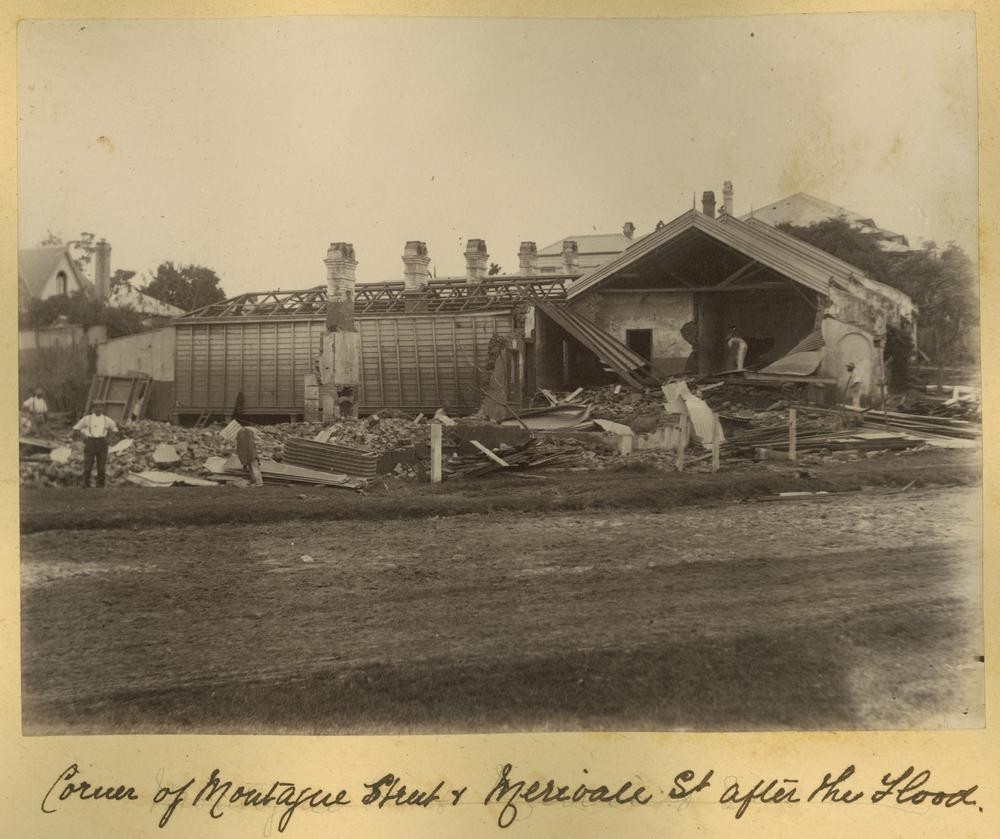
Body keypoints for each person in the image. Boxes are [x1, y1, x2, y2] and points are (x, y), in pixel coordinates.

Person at [72, 401, 119, 488]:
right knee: (88, 464)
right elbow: (76, 428)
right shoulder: (87, 418)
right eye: (96, 407)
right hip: (91, 442)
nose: (98, 409)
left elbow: (114, 429)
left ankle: (100, 485)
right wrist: (84, 438)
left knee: (101, 465)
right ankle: (85, 484)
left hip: (102, 443)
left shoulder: (107, 419)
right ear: (93, 408)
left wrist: (108, 440)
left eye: (100, 407)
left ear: (103, 408)